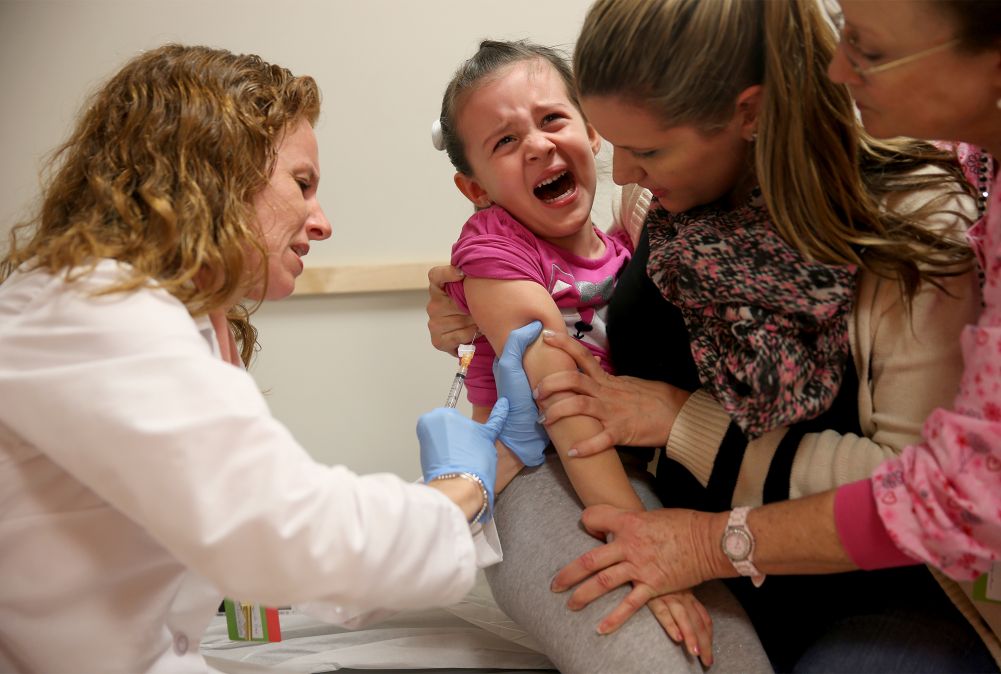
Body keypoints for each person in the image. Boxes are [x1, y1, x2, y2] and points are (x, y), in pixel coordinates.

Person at [426, 0, 996, 670]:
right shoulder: (657, 202)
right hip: (681, 535)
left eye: (645, 150)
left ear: (748, 115)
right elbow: (568, 330)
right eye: (617, 146)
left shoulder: (917, 224)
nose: (627, 174)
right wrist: (472, 300)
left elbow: (921, 489)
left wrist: (680, 430)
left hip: (871, 587)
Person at [0, 44, 550, 674]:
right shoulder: (93, 314)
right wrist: (466, 483)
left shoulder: (172, 320)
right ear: (213, 170)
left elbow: (294, 555)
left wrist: (487, 471)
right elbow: (287, 538)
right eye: (303, 184)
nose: (322, 224)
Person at [431, 38, 768, 670]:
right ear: (472, 186)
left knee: (729, 650)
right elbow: (564, 402)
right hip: (544, 469)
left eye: (552, 119)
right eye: (504, 141)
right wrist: (632, 534)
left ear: (593, 130)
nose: (536, 144)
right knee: (664, 645)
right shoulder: (495, 251)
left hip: (640, 467)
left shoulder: (629, 241)